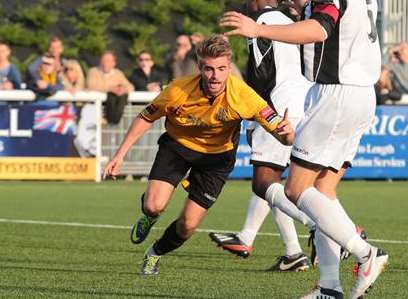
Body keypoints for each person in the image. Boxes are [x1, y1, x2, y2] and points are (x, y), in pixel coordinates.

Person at [220, 0, 389, 298]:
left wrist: (257, 28)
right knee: (323, 191)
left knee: (295, 189)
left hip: (336, 93)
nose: (288, 1)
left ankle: (366, 253)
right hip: (360, 94)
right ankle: (329, 287)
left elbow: (320, 29)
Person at [103, 34, 295, 276]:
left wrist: (287, 134)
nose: (215, 76)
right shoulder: (177, 90)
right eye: (209, 69)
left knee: (188, 225)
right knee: (153, 206)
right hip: (177, 147)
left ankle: (155, 253)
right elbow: (145, 117)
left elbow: (280, 131)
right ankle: (149, 216)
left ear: (229, 67)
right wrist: (120, 155)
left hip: (216, 159)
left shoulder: (243, 95)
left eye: (222, 69)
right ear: (199, 67)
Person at [208, 0, 315, 273]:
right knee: (273, 179)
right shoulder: (294, 21)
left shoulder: (260, 22)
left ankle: (325, 228)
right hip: (307, 101)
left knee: (263, 180)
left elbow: (261, 71)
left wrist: (257, 116)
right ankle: (291, 251)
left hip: (278, 104)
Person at [87, 51, 134, 124]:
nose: (105, 63)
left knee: (123, 95)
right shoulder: (93, 71)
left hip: (112, 108)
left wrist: (123, 89)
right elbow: (91, 86)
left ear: (114, 63)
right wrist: (110, 89)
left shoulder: (118, 73)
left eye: (108, 61)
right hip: (95, 108)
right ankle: (110, 121)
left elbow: (130, 86)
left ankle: (112, 121)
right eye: (103, 60)